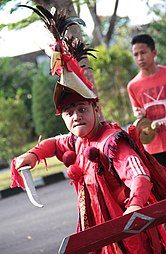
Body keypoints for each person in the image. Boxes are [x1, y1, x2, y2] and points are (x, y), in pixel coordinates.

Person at [11, 6, 166, 254]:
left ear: (95, 109)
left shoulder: (112, 141)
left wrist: (135, 206)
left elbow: (138, 174)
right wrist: (33, 155)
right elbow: (54, 143)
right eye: (69, 113)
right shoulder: (76, 141)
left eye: (81, 109)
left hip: (129, 235)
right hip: (99, 231)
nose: (76, 116)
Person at [127, 34, 166, 167]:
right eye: (135, 54)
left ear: (154, 52)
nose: (140, 58)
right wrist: (139, 114)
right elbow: (137, 112)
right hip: (153, 146)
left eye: (143, 52)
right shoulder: (132, 86)